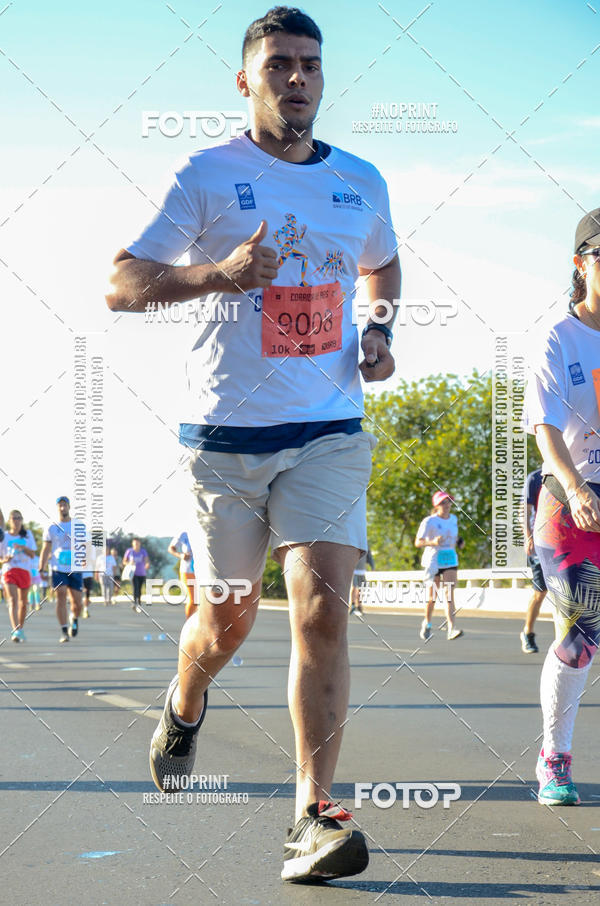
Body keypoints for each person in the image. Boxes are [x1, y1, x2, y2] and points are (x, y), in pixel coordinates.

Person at [106, 6, 399, 882]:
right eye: (279, 64)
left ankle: (314, 817)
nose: (297, 77)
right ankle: (187, 694)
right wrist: (220, 275)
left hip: (328, 430)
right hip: (225, 437)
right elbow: (122, 283)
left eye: (310, 63)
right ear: (246, 80)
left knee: (321, 610)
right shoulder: (205, 174)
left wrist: (379, 329)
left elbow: (381, 262)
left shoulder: (360, 181)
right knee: (227, 622)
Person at [525, 207, 600, 806]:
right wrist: (575, 487)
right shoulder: (558, 337)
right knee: (580, 636)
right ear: (582, 263)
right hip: (570, 499)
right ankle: (555, 760)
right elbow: (544, 427)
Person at [415, 491, 464, 641]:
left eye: (449, 501)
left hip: (450, 559)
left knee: (449, 594)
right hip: (433, 561)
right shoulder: (429, 521)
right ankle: (427, 623)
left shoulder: (454, 519)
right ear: (436, 505)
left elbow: (453, 536)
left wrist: (459, 542)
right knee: (433, 597)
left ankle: (451, 629)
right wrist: (433, 542)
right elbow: (418, 542)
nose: (447, 504)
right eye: (443, 502)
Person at [39, 496, 84, 643]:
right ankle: (64, 631)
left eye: (65, 505)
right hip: (58, 568)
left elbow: (85, 546)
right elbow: (46, 549)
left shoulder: (78, 525)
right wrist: (41, 567)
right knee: (61, 595)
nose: (62, 507)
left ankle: (74, 618)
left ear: (69, 507)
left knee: (78, 603)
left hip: (75, 567)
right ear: (57, 508)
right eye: (60, 505)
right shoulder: (52, 527)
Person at [521, 469, 547, 654]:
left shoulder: (573, 471)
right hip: (541, 542)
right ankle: (528, 632)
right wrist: (528, 537)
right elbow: (525, 511)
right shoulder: (535, 478)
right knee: (540, 592)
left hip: (567, 540)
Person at [0, 510, 36, 642]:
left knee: (23, 604)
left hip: (24, 570)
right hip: (9, 570)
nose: (16, 521)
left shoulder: (27, 535)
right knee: (13, 600)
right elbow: (0, 558)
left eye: (19, 518)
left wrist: (23, 547)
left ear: (22, 520)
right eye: (14, 518)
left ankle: (20, 629)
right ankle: (16, 630)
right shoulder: (4, 536)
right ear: (9, 521)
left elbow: (32, 554)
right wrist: (5, 560)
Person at [168, 531, 197, 620]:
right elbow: (171, 548)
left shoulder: (204, 530)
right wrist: (181, 555)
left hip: (202, 570)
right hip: (188, 570)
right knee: (193, 599)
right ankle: (189, 623)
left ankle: (200, 623)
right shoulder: (184, 533)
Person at [123, 538, 150, 612]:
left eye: (137, 543)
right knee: (135, 588)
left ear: (140, 544)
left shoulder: (143, 551)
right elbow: (124, 561)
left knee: (139, 589)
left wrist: (147, 564)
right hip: (133, 573)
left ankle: (139, 602)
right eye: (135, 544)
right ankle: (135, 603)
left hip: (142, 572)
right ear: (132, 544)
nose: (136, 545)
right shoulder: (129, 551)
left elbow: (146, 560)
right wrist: (129, 563)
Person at [349, 547, 374, 614]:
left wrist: (372, 566)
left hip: (362, 571)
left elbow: (369, 557)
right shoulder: (354, 545)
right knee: (355, 588)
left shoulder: (366, 545)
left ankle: (359, 605)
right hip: (354, 571)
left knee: (361, 589)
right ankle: (353, 604)